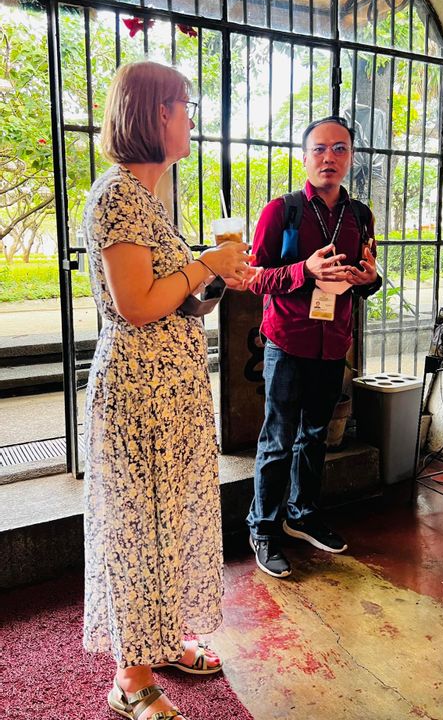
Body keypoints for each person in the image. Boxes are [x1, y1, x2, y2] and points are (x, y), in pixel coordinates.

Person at [82, 60, 256, 720]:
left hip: (171, 391)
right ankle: (130, 680)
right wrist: (204, 265)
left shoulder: (149, 200)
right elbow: (135, 304)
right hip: (136, 393)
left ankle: (159, 643)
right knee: (136, 527)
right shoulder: (117, 195)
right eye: (182, 105)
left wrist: (211, 281)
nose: (190, 117)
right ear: (153, 114)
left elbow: (175, 299)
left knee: (167, 524)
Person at [247, 115, 382, 579]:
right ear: (305, 157)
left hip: (333, 343)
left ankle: (301, 515)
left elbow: (366, 275)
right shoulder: (282, 211)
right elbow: (253, 277)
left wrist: (371, 281)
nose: (329, 157)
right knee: (278, 439)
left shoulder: (360, 215)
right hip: (287, 342)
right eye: (320, 149)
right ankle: (262, 528)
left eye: (340, 149)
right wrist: (304, 270)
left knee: (315, 436)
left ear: (350, 157)